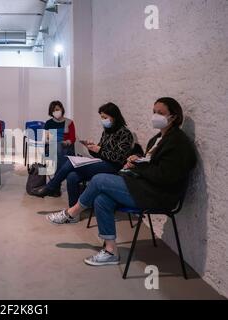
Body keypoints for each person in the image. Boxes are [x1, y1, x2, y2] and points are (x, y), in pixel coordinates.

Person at [46, 97, 197, 266]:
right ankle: (111, 251)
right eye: (154, 112)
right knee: (101, 199)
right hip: (143, 186)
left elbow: (165, 176)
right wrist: (137, 160)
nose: (155, 116)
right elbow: (151, 164)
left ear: (174, 117)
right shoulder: (157, 139)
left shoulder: (178, 142)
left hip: (157, 194)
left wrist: (138, 166)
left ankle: (70, 213)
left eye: (160, 113)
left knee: (99, 180)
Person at [32, 103, 134, 208]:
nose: (103, 120)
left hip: (113, 167)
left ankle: (51, 187)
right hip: (101, 163)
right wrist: (91, 148)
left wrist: (99, 150)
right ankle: (73, 210)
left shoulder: (125, 134)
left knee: (70, 162)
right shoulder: (106, 132)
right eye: (101, 117)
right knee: (72, 176)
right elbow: (99, 152)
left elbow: (119, 158)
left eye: (105, 117)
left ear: (114, 116)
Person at [42, 101, 77, 196]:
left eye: (57, 109)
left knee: (60, 149)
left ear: (62, 109)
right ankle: (56, 186)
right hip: (52, 147)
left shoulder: (69, 122)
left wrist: (67, 142)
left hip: (66, 147)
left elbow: (73, 138)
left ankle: (54, 187)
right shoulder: (48, 123)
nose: (56, 111)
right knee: (57, 148)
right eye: (53, 110)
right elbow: (45, 139)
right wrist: (49, 140)